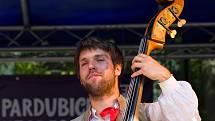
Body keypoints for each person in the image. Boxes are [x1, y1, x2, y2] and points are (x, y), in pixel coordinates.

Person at [71, 37, 201, 121]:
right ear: (80, 78)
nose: (91, 66)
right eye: (84, 63)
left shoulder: (150, 114)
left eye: (99, 60)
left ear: (117, 68)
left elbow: (187, 116)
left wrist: (163, 76)